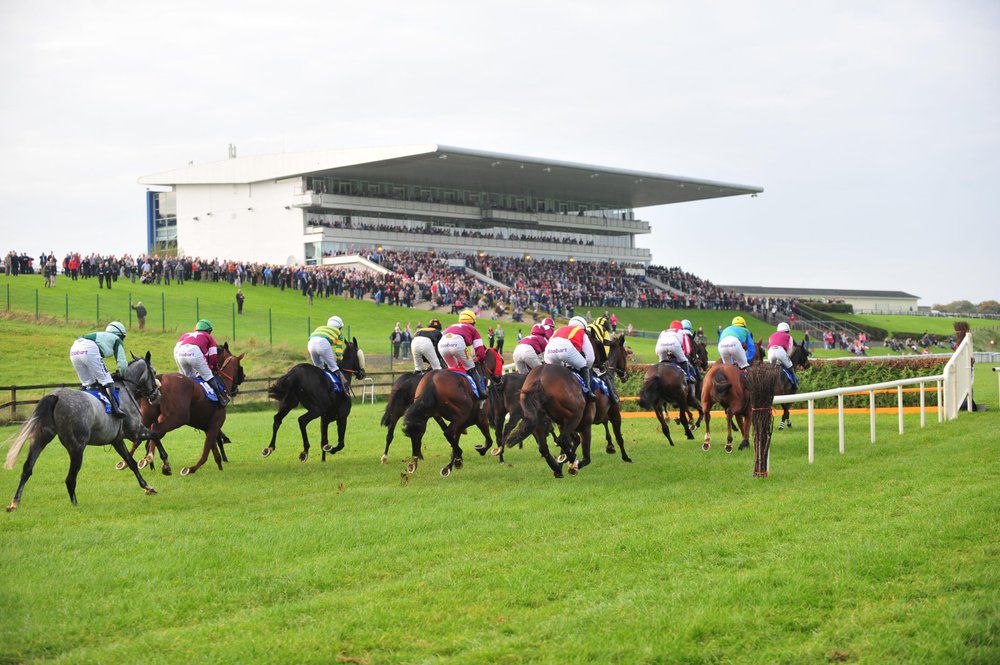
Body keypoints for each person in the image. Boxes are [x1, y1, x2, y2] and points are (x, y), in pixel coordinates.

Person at [69, 321, 129, 418]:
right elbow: (122, 364)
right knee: (107, 380)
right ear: (119, 334)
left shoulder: (102, 336)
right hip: (89, 349)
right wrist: (122, 374)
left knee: (88, 383)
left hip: (74, 349)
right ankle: (115, 409)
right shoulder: (117, 339)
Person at [174, 319, 229, 407]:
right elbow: (213, 357)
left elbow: (176, 348)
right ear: (209, 330)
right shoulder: (209, 337)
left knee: (188, 379)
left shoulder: (186, 334)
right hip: (193, 352)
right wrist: (214, 367)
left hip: (179, 353)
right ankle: (221, 398)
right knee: (208, 376)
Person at [438, 309, 488, 400]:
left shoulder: (451, 326)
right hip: (457, 344)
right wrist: (480, 358)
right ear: (473, 321)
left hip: (441, 345)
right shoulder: (472, 328)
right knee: (471, 368)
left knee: (453, 369)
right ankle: (482, 394)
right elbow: (480, 351)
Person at [544, 315, 596, 400]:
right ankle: (588, 391)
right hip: (566, 349)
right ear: (583, 327)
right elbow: (590, 358)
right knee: (583, 364)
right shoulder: (581, 331)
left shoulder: (558, 329)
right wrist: (587, 367)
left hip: (549, 351)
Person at [307, 315, 348, 388]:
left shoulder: (320, 327)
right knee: (334, 368)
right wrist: (339, 360)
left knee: (318, 369)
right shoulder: (338, 332)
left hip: (310, 344)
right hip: (323, 343)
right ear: (339, 327)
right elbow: (338, 350)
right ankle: (345, 387)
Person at [587, 315, 619, 402]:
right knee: (604, 374)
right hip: (593, 357)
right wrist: (603, 363)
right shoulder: (605, 332)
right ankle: (613, 397)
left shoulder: (587, 327)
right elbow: (605, 351)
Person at [655, 320, 696, 385]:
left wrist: (661, 354)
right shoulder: (682, 332)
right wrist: (685, 354)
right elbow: (687, 349)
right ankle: (687, 376)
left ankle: (658, 375)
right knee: (684, 360)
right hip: (674, 345)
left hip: (660, 347)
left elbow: (657, 346)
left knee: (661, 363)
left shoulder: (663, 331)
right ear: (681, 327)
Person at [766, 322, 797, 387]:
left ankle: (767, 384)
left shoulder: (771, 336)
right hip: (781, 352)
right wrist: (787, 357)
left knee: (771, 369)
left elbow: (769, 346)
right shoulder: (789, 336)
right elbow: (789, 350)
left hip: (770, 352)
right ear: (787, 331)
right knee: (790, 367)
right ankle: (795, 384)